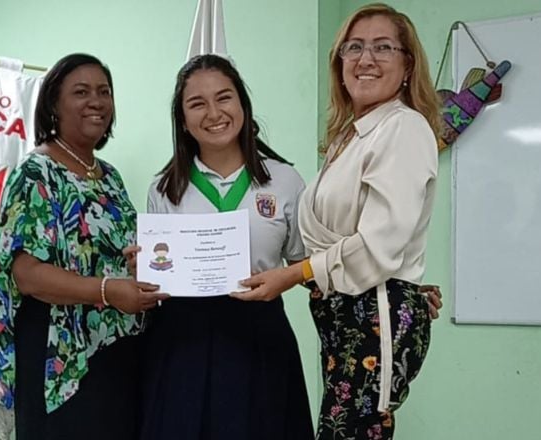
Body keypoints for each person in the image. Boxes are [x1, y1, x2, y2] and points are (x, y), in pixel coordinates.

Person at [238, 4, 440, 439]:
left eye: (383, 47)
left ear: (407, 65)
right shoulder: (349, 137)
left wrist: (294, 274)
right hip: (345, 314)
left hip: (371, 317)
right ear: (340, 63)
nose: (366, 59)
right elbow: (359, 241)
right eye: (354, 47)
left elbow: (379, 244)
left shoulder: (403, 129)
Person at [127, 54, 315, 440]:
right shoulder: (164, 188)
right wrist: (144, 273)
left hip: (259, 338)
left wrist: (401, 290)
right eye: (197, 103)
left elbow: (304, 265)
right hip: (183, 342)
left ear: (243, 105)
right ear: (182, 119)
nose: (213, 112)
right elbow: (159, 282)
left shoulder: (284, 180)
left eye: (224, 98)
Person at [0, 53, 168, 440]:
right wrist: (107, 290)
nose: (97, 101)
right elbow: (27, 274)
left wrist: (139, 264)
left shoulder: (110, 176)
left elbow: (110, 252)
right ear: (54, 103)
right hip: (62, 358)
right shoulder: (37, 172)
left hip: (117, 355)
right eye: (81, 92)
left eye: (104, 91)